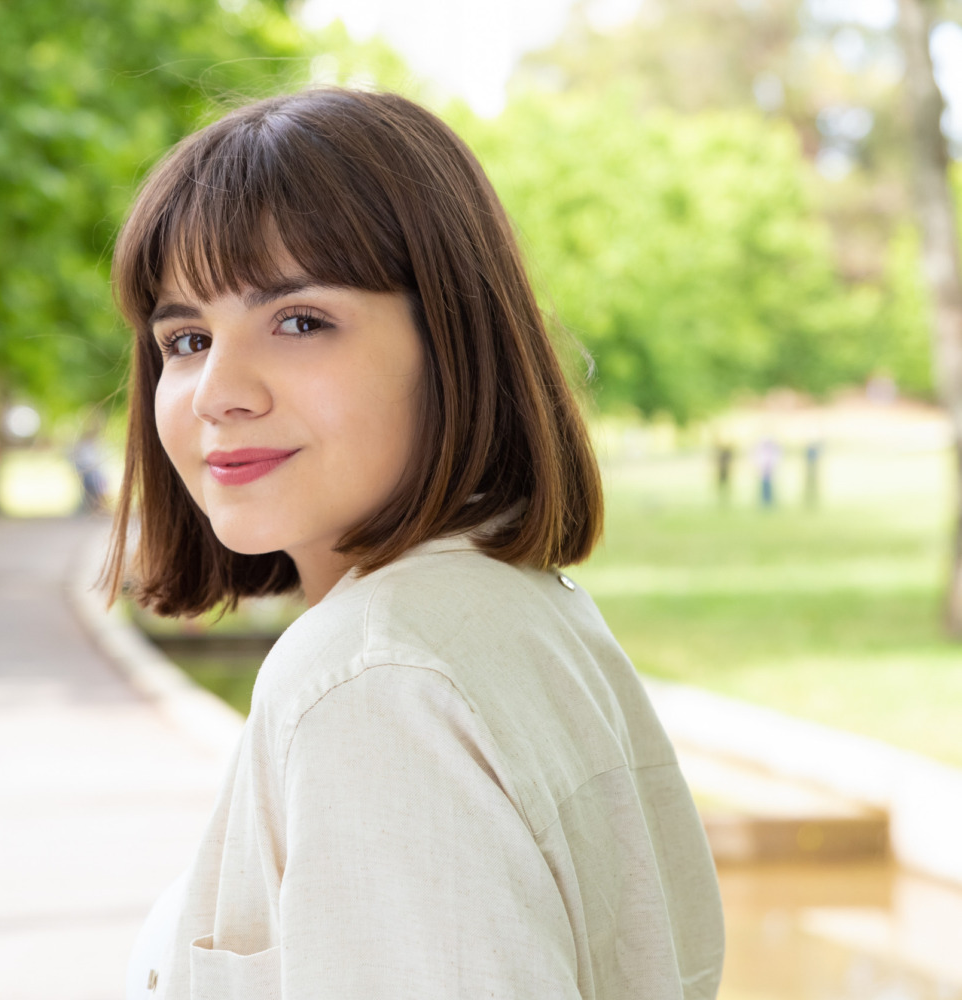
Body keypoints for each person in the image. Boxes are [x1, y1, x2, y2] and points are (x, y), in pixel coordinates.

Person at [97, 88, 723, 1000]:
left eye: (299, 321)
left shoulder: (372, 678)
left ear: (451, 339)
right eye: (186, 338)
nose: (216, 391)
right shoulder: (521, 616)